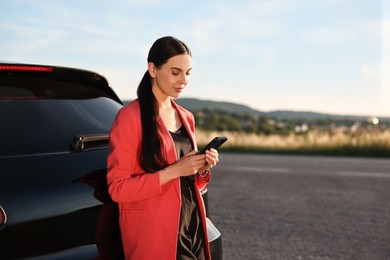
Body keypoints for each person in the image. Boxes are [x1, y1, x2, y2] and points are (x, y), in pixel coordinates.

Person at [107, 36, 220, 260]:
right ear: (152, 69)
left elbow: (188, 177)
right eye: (175, 72)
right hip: (156, 230)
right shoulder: (130, 117)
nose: (183, 80)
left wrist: (201, 167)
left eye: (188, 73)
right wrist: (175, 170)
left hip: (192, 221)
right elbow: (118, 189)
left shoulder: (186, 116)